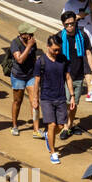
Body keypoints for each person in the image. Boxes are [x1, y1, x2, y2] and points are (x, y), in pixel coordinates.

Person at [30, 33, 69, 165]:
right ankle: (53, 152)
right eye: (54, 50)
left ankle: (48, 135)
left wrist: (73, 96)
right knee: (51, 125)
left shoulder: (63, 59)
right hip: (46, 98)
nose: (57, 52)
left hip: (61, 98)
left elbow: (68, 77)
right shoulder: (41, 61)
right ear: (48, 47)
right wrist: (35, 98)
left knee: (61, 125)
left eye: (59, 49)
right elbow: (36, 81)